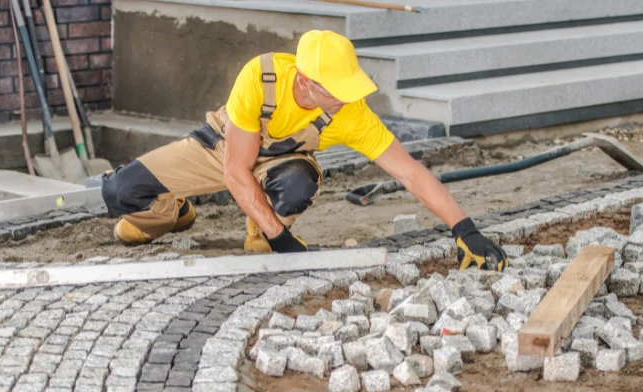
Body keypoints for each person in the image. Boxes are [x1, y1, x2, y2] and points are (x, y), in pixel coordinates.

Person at [99, 30, 508, 271]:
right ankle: (175, 213)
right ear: (307, 82)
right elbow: (234, 171)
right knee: (119, 193)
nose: (346, 100)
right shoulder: (260, 77)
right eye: (336, 91)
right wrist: (285, 242)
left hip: (280, 164)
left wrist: (464, 229)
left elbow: (409, 172)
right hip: (224, 147)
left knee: (297, 185)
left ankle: (258, 228)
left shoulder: (352, 114)